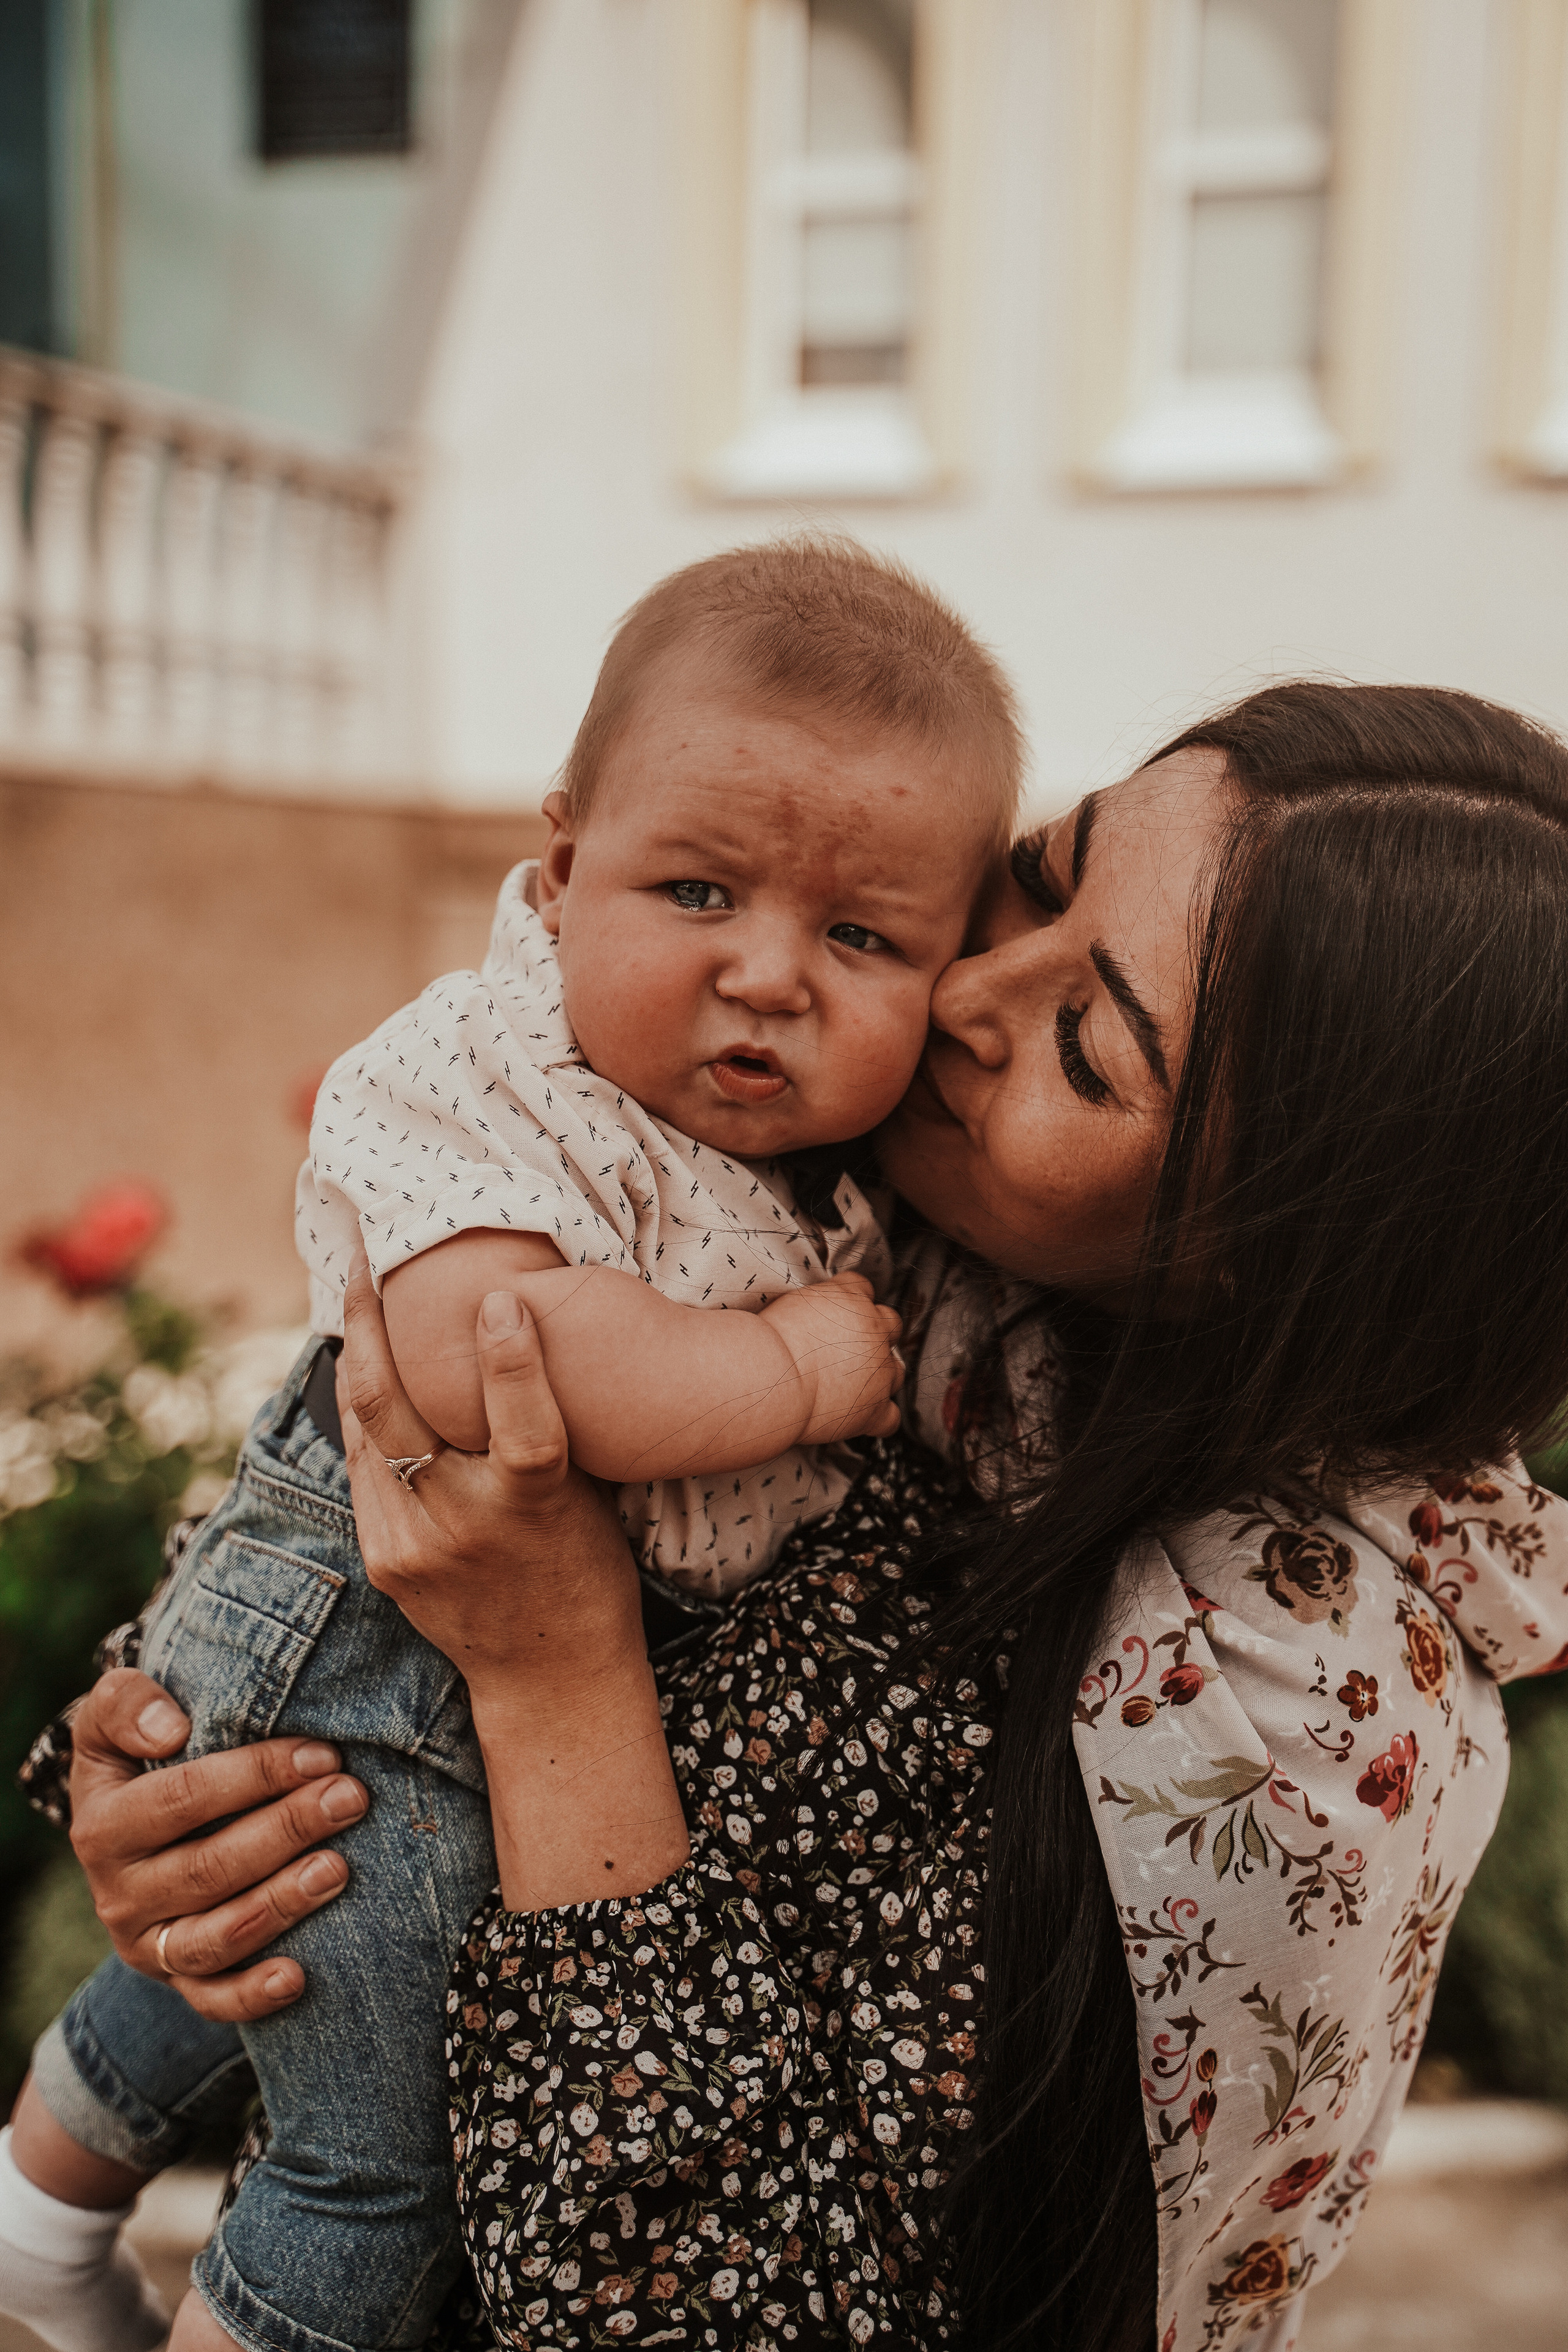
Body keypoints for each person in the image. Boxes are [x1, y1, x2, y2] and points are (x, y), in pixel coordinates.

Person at [23, 681, 1568, 2352]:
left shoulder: (1277, 1749)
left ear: (1260, 1248)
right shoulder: (868, 1231)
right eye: (1042, 874)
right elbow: (382, 1438)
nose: (961, 992)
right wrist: (199, 1776)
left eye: (1088, 1047)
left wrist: (557, 1687)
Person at [0, 539, 1026, 2352]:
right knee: (370, 2159)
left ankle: (33, 2216)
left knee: (270, 1961)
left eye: (862, 937)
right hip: (372, 1664)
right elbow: (505, 1366)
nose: (772, 977)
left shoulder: (824, 1178)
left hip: (468, 1690)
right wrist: (793, 1368)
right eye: (697, 889)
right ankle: (74, 2240)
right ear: (561, 870)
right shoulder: (481, 1067)